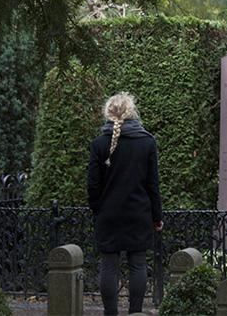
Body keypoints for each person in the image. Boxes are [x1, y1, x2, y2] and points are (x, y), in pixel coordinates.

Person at [87, 92, 163, 315]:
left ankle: (110, 313)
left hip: (108, 214)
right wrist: (156, 216)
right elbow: (153, 185)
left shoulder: (98, 144)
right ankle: (136, 313)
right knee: (138, 265)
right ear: (131, 112)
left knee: (109, 266)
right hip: (138, 213)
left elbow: (93, 185)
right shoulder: (147, 142)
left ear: (108, 113)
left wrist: (97, 208)